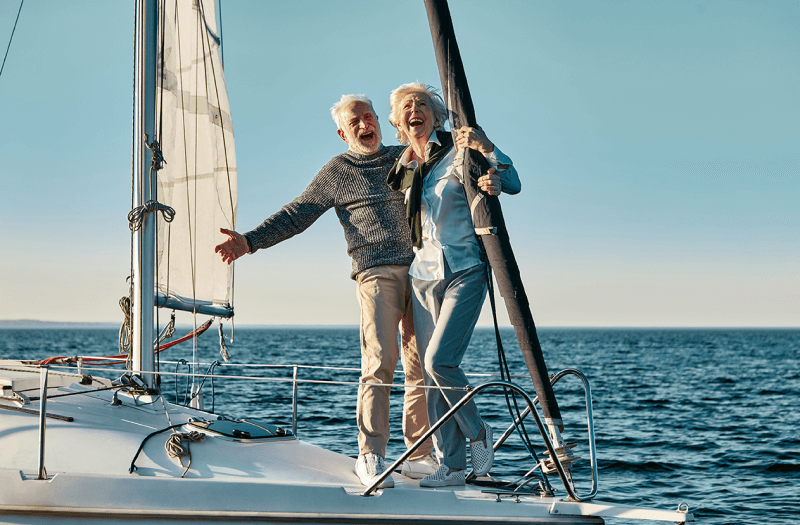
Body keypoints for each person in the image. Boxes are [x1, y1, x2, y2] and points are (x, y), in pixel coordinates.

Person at [214, 95, 437, 488]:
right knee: (380, 360)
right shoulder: (338, 171)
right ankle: (371, 454)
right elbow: (297, 213)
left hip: (422, 267)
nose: (366, 124)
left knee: (421, 364)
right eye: (356, 122)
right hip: (376, 272)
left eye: (369, 116)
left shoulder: (403, 157)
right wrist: (249, 241)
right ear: (343, 133)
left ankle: (419, 455)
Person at [386, 82, 521, 488]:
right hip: (422, 277)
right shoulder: (404, 167)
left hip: (465, 269)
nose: (415, 109)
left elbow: (510, 181)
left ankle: (478, 433)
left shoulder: (461, 152)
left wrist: (490, 156)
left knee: (438, 362)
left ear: (437, 115)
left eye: (423, 104)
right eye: (407, 106)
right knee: (430, 377)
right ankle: (454, 466)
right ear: (398, 122)